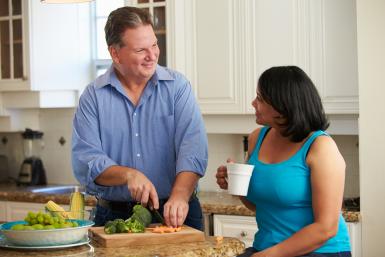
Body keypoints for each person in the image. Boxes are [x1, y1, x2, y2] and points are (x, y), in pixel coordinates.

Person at [72, 6, 208, 230]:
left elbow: (192, 149)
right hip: (114, 218)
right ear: (115, 54)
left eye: (154, 45)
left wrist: (180, 196)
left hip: (175, 212)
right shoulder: (93, 96)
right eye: (140, 50)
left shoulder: (177, 88)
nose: (152, 55)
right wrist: (128, 175)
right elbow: (86, 161)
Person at [216, 66, 351, 257]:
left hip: (319, 251)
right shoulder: (257, 138)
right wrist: (235, 186)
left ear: (283, 105)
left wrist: (269, 255)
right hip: (268, 247)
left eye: (260, 98)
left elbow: (326, 228)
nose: (253, 103)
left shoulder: (321, 147)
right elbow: (262, 205)